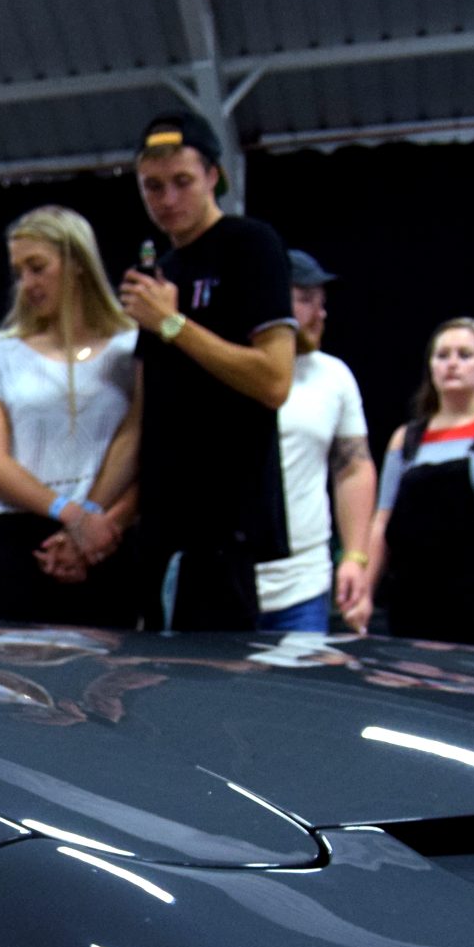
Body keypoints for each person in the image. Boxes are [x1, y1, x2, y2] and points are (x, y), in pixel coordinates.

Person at [80, 110, 294, 631]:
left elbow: (274, 381)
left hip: (225, 523)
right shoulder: (160, 274)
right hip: (160, 523)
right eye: (153, 187)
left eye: (182, 182)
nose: (168, 199)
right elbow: (142, 419)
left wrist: (173, 324)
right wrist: (87, 515)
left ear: (213, 176)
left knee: (216, 671)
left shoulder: (250, 244)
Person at [0, 206, 140, 623]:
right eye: (19, 272)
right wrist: (71, 515)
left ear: (77, 262)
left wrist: (96, 524)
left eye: (38, 268)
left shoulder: (129, 347)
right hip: (15, 541)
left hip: (105, 538)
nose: (27, 283)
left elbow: (143, 445)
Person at [357, 319, 474, 644]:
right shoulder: (406, 438)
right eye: (442, 355)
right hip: (412, 598)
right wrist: (365, 592)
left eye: (464, 355)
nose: (452, 364)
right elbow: (382, 520)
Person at [259, 249, 376, 632]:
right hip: (227, 582)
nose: (320, 314)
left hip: (303, 585)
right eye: (307, 299)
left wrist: (355, 556)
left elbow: (353, 467)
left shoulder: (332, 376)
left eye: (321, 302)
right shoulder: (233, 369)